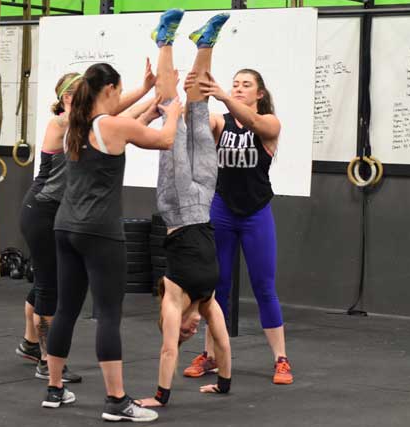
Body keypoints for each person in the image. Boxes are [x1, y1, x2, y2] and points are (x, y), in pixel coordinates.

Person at [42, 60, 183, 423]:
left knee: (66, 311)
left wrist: (150, 98)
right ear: (109, 91)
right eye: (119, 90)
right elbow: (165, 140)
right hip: (100, 232)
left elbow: (126, 122)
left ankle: (55, 390)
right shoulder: (112, 124)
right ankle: (117, 401)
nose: (121, 96)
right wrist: (173, 112)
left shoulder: (74, 123)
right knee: (108, 315)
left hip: (65, 228)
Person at [136, 9, 233, 408]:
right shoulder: (208, 300)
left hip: (176, 205)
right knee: (197, 113)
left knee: (170, 108)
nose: (192, 331)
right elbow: (224, 344)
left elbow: (167, 352)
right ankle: (205, 43)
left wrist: (161, 396)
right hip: (206, 200)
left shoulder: (173, 299)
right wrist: (224, 384)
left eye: (185, 333)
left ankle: (163, 40)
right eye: (193, 333)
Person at [182, 66, 293, 385]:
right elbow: (195, 121)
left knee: (263, 286)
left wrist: (224, 95)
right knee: (216, 286)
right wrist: (194, 94)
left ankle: (281, 359)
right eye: (235, 84)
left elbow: (256, 122)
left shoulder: (270, 123)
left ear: (259, 93)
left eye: (246, 85)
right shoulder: (221, 122)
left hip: (256, 213)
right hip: (223, 210)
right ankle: (211, 356)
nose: (239, 88)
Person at [16, 72, 83, 383]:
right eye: (86, 92)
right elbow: (109, 113)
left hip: (54, 212)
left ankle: (30, 343)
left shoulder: (78, 122)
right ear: (68, 97)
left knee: (48, 278)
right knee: (49, 286)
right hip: (41, 211)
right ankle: (46, 360)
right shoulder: (61, 122)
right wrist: (148, 92)